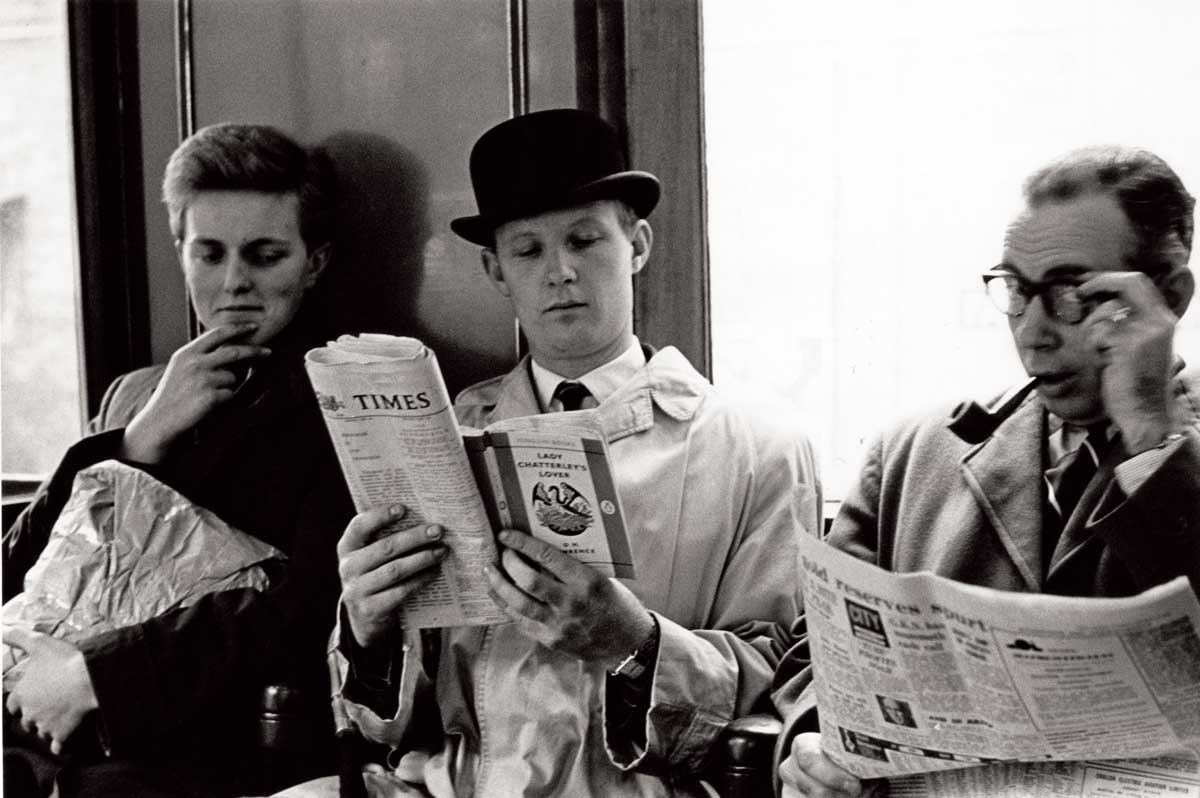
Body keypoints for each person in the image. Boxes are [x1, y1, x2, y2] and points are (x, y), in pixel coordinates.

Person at [314, 108, 822, 797]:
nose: (560, 272)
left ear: (637, 244)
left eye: (584, 240)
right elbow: (380, 725)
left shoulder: (757, 449)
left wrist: (632, 643)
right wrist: (367, 625)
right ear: (496, 270)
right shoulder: (440, 436)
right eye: (527, 251)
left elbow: (780, 682)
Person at [774, 145, 1200, 798]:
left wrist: (1151, 438)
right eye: (1016, 291)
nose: (1032, 331)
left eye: (1069, 294)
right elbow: (817, 660)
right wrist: (813, 745)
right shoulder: (913, 452)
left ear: (1168, 296)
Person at [2, 123, 355, 797]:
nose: (233, 284)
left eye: (264, 256)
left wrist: (95, 677)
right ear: (181, 253)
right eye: (209, 254)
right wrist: (137, 444)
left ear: (313, 262)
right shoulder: (137, 395)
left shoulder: (349, 403)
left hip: (199, 749)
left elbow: (311, 605)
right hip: (34, 731)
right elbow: (19, 574)